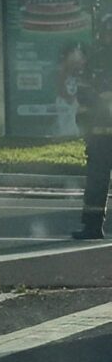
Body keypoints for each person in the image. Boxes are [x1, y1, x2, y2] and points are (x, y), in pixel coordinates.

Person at [73, 16, 112, 239]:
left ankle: (93, 226)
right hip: (98, 136)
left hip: (100, 135)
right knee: (96, 183)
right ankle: (92, 226)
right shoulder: (95, 61)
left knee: (97, 181)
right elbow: (83, 92)